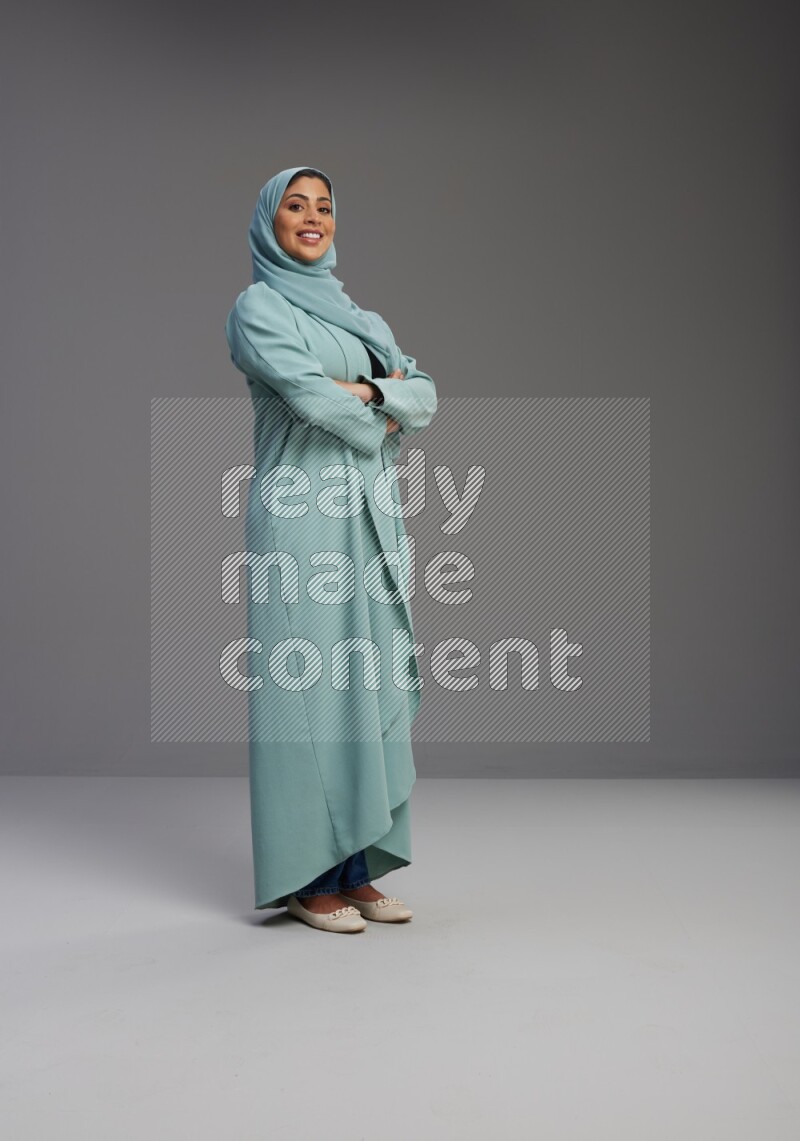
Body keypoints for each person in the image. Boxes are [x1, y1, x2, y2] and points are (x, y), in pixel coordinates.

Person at [225, 166, 438, 934]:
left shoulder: (361, 318)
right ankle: (305, 878)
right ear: (269, 222)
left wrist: (374, 393)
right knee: (308, 692)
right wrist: (378, 399)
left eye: (324, 208)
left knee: (365, 682)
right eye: (295, 206)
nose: (311, 219)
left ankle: (361, 867)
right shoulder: (259, 307)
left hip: (372, 516)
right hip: (300, 517)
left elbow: (427, 394)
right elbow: (304, 395)